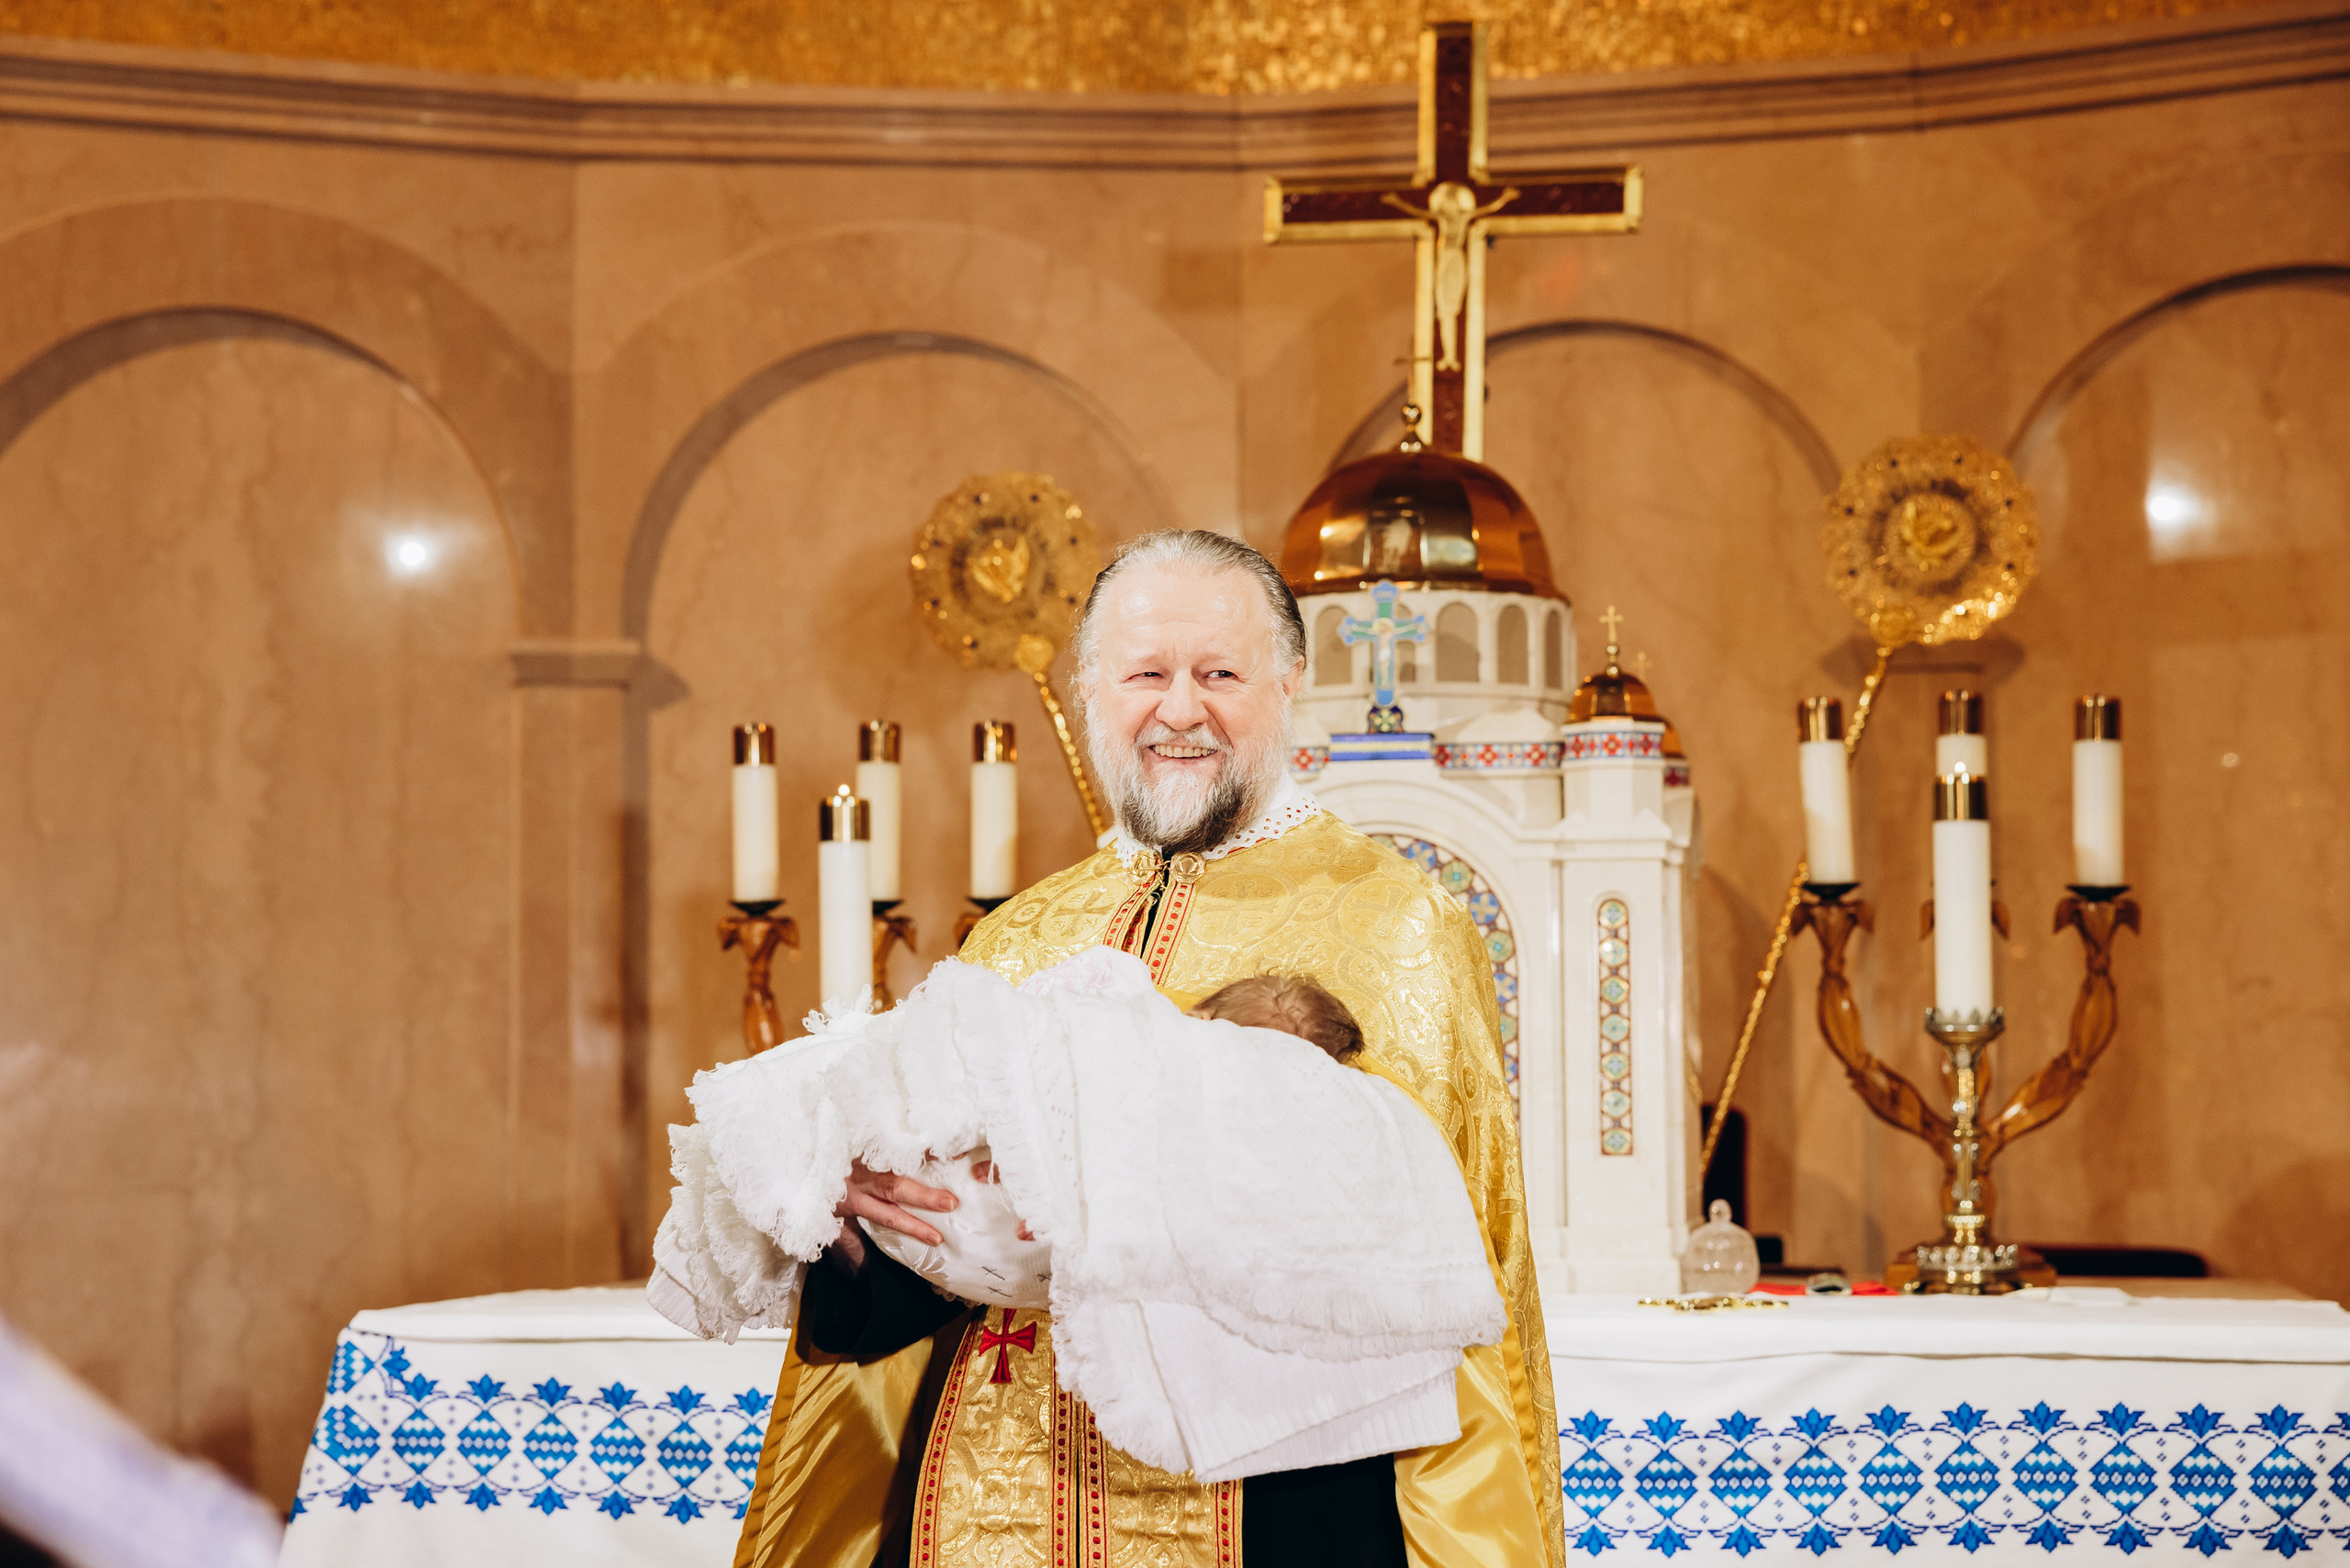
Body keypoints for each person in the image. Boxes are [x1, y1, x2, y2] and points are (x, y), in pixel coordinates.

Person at [733, 530, 1561, 1568]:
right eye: (1144, 674)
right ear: (1089, 692)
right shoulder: (1016, 935)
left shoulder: (1396, 923)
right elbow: (921, 1271)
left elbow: (1461, 1278)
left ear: (1289, 685)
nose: (1179, 710)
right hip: (987, 1500)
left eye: (1220, 673)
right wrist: (861, 1221)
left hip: (1278, 1505)